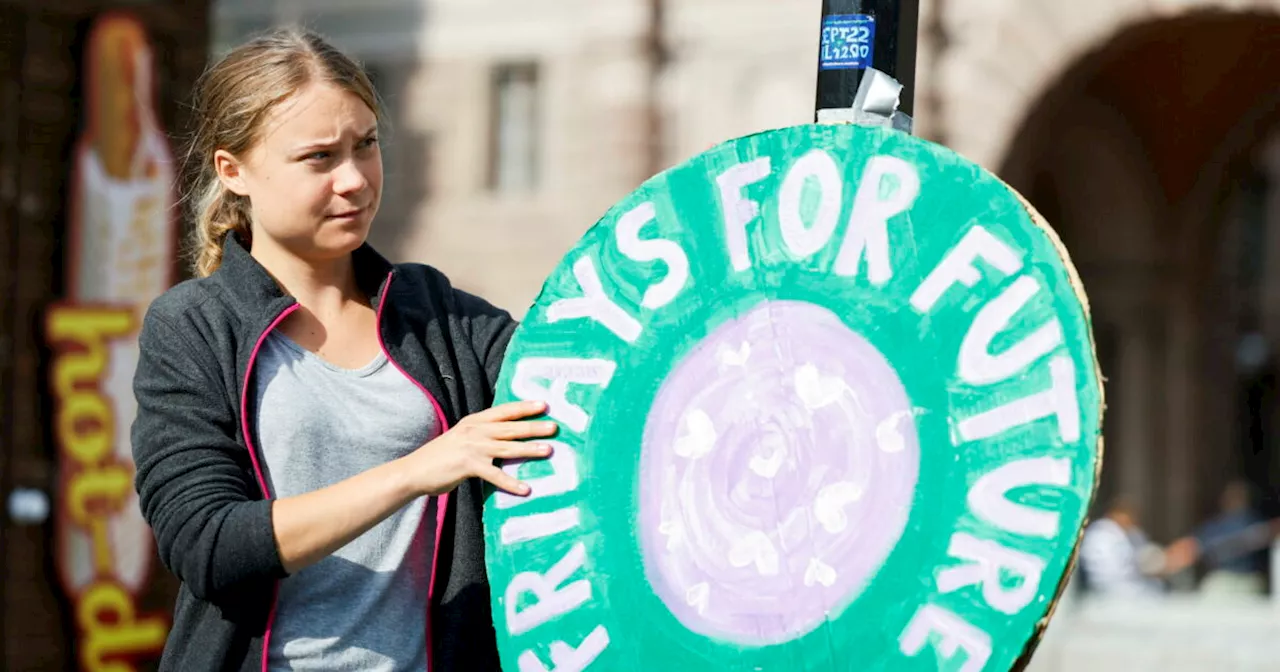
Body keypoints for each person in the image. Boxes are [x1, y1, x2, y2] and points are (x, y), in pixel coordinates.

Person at [130, 28, 556, 671]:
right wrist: (417, 469)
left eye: (367, 145)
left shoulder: (439, 316)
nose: (354, 179)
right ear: (233, 171)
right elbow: (210, 546)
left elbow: (583, 384)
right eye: (319, 158)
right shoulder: (193, 328)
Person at [1078, 496, 1195, 598]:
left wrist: (1167, 559)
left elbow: (1145, 558)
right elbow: (1110, 574)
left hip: (1134, 586)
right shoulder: (1101, 534)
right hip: (1111, 592)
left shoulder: (1132, 533)